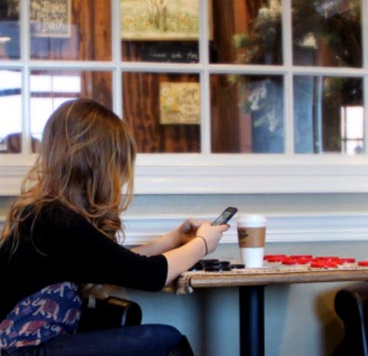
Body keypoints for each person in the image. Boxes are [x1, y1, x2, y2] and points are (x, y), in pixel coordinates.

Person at [0, 98, 228, 355]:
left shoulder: (46, 213)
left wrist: (175, 238)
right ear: (98, 166)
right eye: (118, 166)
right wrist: (203, 244)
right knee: (168, 340)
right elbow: (151, 275)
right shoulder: (57, 221)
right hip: (21, 351)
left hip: (31, 345)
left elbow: (119, 263)